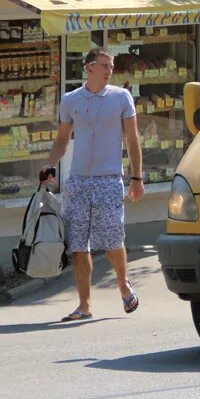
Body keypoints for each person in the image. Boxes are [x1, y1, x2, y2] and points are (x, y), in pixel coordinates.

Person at [42, 47, 144, 322]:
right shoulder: (71, 99)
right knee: (79, 245)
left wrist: (137, 178)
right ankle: (84, 305)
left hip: (110, 179)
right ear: (88, 68)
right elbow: (63, 139)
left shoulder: (121, 97)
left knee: (113, 240)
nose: (108, 70)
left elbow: (132, 139)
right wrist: (50, 166)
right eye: (103, 65)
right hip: (78, 181)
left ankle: (123, 285)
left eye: (110, 66)